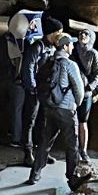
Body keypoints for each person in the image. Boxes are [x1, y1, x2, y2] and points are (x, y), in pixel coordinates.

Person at [27, 35, 87, 187]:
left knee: (45, 142)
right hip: (66, 110)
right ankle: (72, 177)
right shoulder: (69, 64)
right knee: (72, 144)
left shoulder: (48, 62)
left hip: (50, 108)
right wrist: (76, 104)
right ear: (66, 47)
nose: (72, 47)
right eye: (71, 45)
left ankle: (35, 174)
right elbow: (79, 89)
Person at [19, 17, 64, 166]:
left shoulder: (52, 47)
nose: (60, 35)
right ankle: (28, 153)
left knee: (43, 122)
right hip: (35, 90)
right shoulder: (37, 47)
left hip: (46, 91)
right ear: (51, 32)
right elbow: (28, 66)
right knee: (30, 121)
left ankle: (42, 152)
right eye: (58, 32)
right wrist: (32, 87)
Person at [2, 10, 43, 147]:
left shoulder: (13, 41)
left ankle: (17, 137)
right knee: (27, 112)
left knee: (18, 109)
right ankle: (24, 138)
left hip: (19, 80)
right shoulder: (34, 43)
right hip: (26, 81)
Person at [72, 28, 98, 164]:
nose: (82, 36)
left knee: (82, 121)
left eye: (86, 34)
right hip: (72, 91)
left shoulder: (93, 54)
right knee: (71, 120)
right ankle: (73, 150)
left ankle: (82, 150)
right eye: (81, 33)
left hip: (86, 92)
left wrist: (89, 87)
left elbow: (97, 73)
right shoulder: (72, 50)